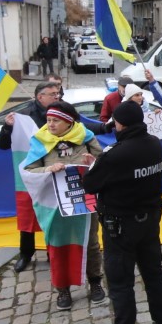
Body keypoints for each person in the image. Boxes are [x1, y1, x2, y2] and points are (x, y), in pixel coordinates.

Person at [83, 98, 162, 324]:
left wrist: (92, 164)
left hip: (121, 226)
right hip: (150, 220)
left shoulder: (115, 154)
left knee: (121, 283)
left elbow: (91, 184)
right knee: (153, 271)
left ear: (121, 124)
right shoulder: (154, 143)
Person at [22, 101, 106, 310]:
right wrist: (48, 169)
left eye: (55, 120)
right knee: (58, 246)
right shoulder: (40, 141)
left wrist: (92, 163)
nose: (50, 124)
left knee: (91, 243)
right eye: (49, 120)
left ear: (68, 122)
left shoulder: (85, 137)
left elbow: (104, 161)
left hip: (83, 202)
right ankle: (63, 289)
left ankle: (95, 282)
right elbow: (28, 171)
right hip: (55, 206)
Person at [0, 82, 64, 271]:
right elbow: (2, 144)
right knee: (28, 214)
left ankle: (54, 252)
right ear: (39, 96)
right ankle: (26, 253)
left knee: (53, 213)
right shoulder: (23, 116)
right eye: (52, 94)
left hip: (54, 170)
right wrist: (8, 127)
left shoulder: (62, 113)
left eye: (57, 93)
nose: (56, 96)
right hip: (29, 174)